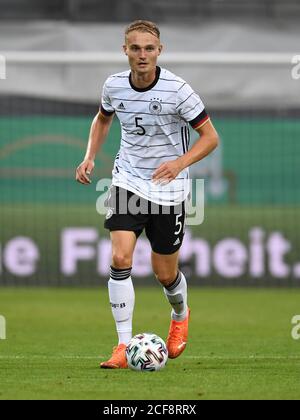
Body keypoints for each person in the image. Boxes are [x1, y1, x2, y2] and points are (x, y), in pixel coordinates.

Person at [76, 20, 219, 369]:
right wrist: (90, 156)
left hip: (169, 189)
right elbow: (102, 118)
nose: (142, 55)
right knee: (121, 258)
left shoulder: (178, 90)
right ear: (125, 50)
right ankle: (123, 347)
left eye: (149, 48)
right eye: (135, 48)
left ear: (160, 51)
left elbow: (210, 138)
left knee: (164, 273)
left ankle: (180, 314)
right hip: (128, 180)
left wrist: (179, 164)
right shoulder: (113, 85)